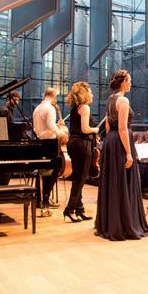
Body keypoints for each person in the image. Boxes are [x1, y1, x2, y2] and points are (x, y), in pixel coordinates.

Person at [95, 70, 148, 241]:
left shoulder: (110, 99)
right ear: (124, 82)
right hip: (120, 143)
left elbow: (108, 126)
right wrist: (128, 153)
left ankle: (110, 223)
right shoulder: (123, 100)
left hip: (110, 142)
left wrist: (109, 143)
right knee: (123, 183)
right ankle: (125, 225)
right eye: (130, 80)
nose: (131, 83)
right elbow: (122, 128)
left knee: (113, 182)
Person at [63, 82, 99, 223]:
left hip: (73, 143)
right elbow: (85, 129)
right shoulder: (84, 107)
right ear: (84, 93)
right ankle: (69, 209)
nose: (91, 93)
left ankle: (79, 209)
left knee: (78, 177)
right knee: (81, 178)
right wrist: (95, 130)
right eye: (89, 90)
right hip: (82, 144)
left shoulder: (74, 108)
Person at [32, 88, 68, 216]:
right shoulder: (50, 108)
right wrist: (62, 134)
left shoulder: (37, 108)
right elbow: (51, 127)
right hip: (49, 144)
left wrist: (57, 126)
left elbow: (42, 127)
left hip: (39, 142)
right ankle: (45, 201)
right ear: (53, 96)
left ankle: (38, 199)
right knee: (52, 171)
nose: (55, 100)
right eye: (55, 97)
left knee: (41, 172)